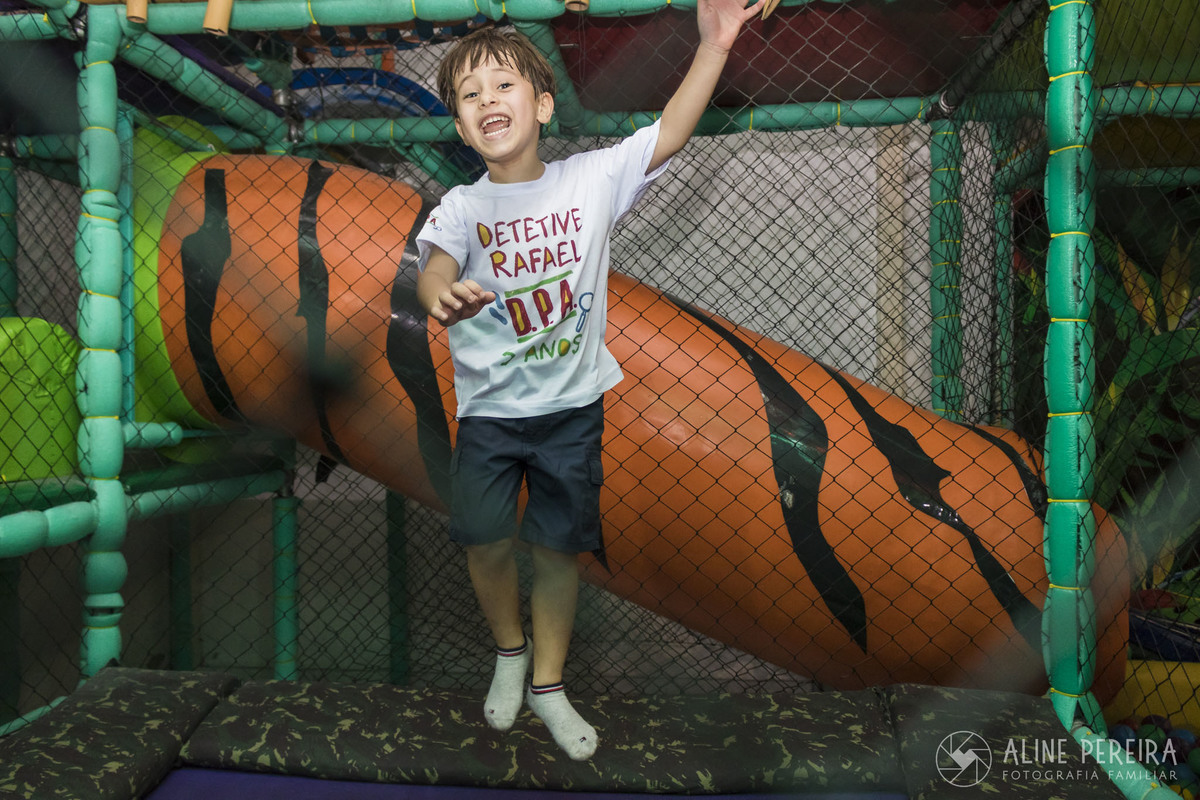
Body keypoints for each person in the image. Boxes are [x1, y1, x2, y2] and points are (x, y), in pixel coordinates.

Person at [415, 0, 763, 761]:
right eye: (468, 97)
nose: (486, 103)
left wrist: (713, 47)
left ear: (541, 105)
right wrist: (439, 293)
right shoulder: (463, 206)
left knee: (558, 549)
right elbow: (433, 264)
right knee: (483, 540)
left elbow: (670, 131)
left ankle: (547, 683)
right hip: (490, 417)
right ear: (459, 126)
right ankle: (509, 651)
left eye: (501, 86)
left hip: (571, 411)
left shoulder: (589, 180)